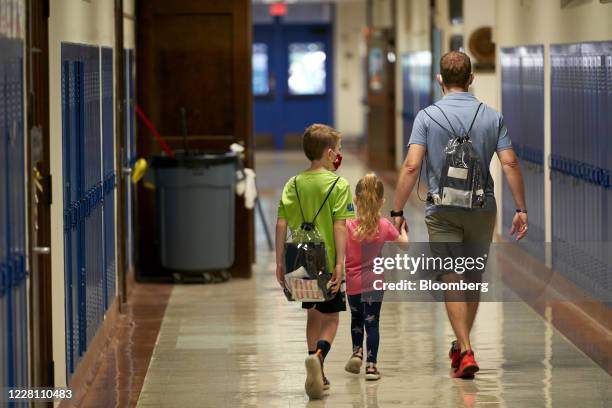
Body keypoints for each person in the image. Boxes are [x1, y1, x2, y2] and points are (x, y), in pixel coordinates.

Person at [390, 51, 528, 378]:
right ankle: (462, 343)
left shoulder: (426, 117)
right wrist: (520, 208)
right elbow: (509, 163)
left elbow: (411, 166)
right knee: (473, 276)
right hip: (482, 210)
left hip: (443, 211)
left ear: (439, 79)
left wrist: (396, 210)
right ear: (471, 79)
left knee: (450, 275)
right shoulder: (492, 116)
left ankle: (465, 349)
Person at [275, 124, 355, 399]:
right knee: (331, 316)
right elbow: (340, 227)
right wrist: (340, 264)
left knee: (312, 313)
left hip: (298, 257)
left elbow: (281, 224)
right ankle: (319, 358)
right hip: (327, 258)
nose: (339, 156)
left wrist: (278, 264)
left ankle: (315, 366)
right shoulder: (339, 185)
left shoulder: (292, 183)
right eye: (339, 151)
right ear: (330, 153)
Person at [344, 173, 408, 381]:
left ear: (355, 200)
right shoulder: (384, 226)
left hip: (353, 283)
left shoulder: (347, 226)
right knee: (372, 323)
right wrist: (404, 231)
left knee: (356, 320)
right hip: (375, 283)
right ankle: (371, 366)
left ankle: (357, 352)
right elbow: (404, 245)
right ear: (382, 201)